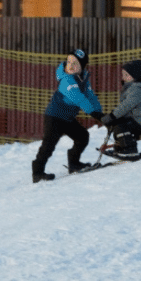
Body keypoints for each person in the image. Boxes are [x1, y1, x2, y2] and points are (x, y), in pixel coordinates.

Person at [32, 49, 103, 182]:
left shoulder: (83, 78)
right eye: (69, 61)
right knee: (49, 144)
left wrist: (101, 113)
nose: (70, 65)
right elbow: (79, 98)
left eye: (75, 63)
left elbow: (90, 96)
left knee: (82, 136)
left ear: (82, 67)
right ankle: (37, 171)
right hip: (54, 117)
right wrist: (95, 114)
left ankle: (74, 163)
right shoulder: (66, 79)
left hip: (67, 118)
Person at [101, 60, 141, 159]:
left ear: (134, 75)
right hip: (136, 117)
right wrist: (116, 118)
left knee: (120, 127)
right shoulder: (133, 87)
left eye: (126, 74)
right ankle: (121, 147)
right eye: (122, 74)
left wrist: (113, 116)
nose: (123, 77)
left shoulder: (137, 89)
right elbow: (127, 108)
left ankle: (130, 150)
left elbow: (126, 105)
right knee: (117, 124)